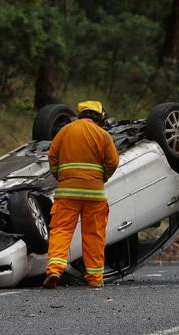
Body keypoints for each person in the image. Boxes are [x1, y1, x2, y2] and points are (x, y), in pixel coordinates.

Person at [43, 100, 119, 289]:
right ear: (99, 117)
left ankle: (55, 269)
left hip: (67, 192)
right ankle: (94, 278)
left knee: (61, 230)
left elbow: (52, 156)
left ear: (80, 114)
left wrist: (60, 175)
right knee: (94, 234)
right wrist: (103, 177)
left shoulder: (65, 131)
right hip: (94, 194)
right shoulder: (103, 135)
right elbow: (113, 162)